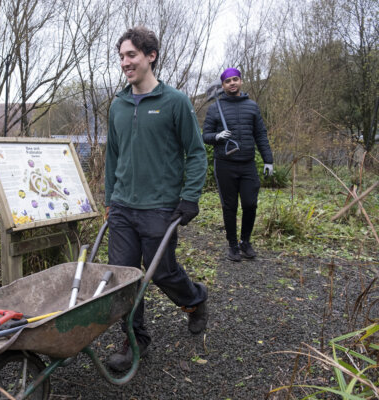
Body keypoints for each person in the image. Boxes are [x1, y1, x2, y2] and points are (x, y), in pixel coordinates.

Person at [104, 26, 209, 372]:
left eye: (131, 55)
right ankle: (135, 340)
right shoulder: (118, 105)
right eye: (121, 56)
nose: (124, 62)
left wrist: (190, 197)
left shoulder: (174, 102)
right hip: (122, 207)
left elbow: (195, 153)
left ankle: (194, 300)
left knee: (161, 272)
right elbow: (113, 158)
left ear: (150, 56)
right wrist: (109, 198)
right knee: (124, 277)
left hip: (159, 206)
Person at [202, 68, 274, 262]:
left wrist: (268, 160)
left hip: (248, 164)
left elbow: (260, 134)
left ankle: (245, 242)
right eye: (228, 81)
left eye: (235, 79)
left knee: (250, 204)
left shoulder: (252, 106)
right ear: (223, 85)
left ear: (241, 81)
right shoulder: (215, 108)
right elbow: (205, 136)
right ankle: (233, 245)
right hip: (225, 165)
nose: (232, 83)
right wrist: (217, 136)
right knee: (229, 207)